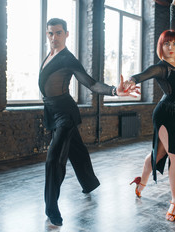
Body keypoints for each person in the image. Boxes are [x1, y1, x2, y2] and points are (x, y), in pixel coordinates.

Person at [38, 18, 137, 226]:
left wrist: (114, 91)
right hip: (53, 111)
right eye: (50, 33)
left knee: (54, 158)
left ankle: (51, 208)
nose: (54, 37)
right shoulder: (50, 54)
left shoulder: (68, 59)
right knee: (77, 150)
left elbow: (91, 83)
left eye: (58, 33)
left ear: (66, 34)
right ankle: (90, 182)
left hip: (65, 114)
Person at [127, 0, 175, 222]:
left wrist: (173, 8)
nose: (171, 46)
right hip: (165, 115)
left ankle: (141, 182)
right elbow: (143, 74)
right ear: (161, 47)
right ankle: (174, 201)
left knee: (157, 154)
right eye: (167, 44)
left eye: (174, 43)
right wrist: (131, 81)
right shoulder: (162, 67)